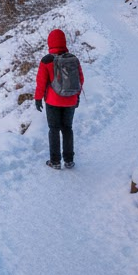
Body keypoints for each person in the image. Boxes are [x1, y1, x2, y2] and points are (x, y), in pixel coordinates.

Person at [34, 28, 83, 170]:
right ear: (64, 41)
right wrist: (76, 96)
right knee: (67, 128)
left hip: (52, 101)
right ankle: (69, 160)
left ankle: (55, 161)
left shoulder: (46, 61)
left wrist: (38, 99)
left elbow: (41, 83)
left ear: (50, 42)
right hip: (70, 100)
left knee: (54, 129)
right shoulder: (73, 59)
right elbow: (80, 79)